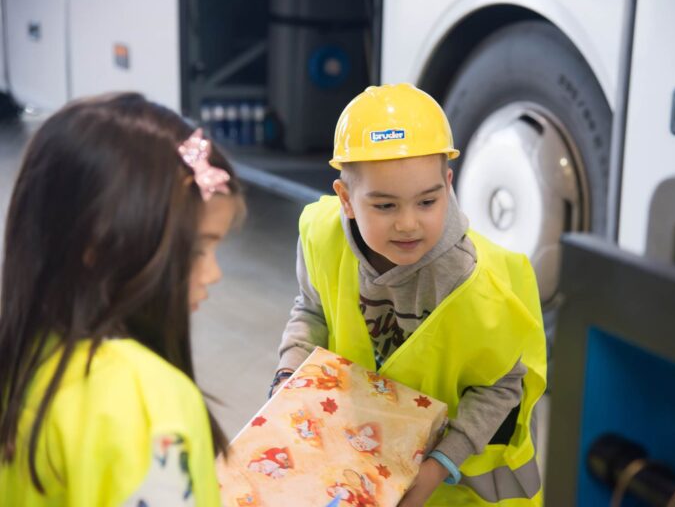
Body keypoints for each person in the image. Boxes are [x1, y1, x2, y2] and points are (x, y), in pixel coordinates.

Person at [274, 83, 547, 506]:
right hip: (361, 462)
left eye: (427, 202)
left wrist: (439, 465)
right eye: (385, 206)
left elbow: (501, 386)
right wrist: (288, 379)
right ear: (346, 199)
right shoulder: (321, 236)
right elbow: (312, 311)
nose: (408, 224)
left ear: (448, 185)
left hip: (456, 490)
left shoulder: (473, 281)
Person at [0, 93, 244, 506]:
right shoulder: (149, 402)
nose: (213, 273)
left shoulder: (25, 358)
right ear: (98, 246)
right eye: (197, 250)